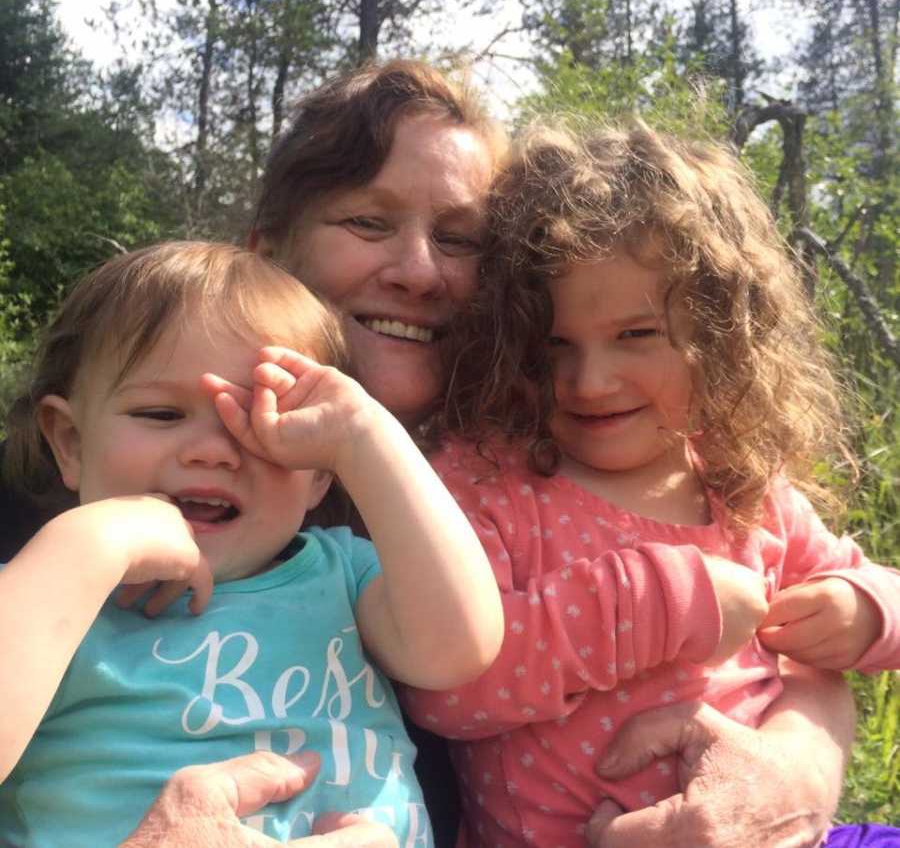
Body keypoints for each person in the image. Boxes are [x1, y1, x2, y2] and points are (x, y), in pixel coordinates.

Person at [0, 59, 877, 847]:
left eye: (457, 239)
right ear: (269, 250)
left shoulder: (596, 449)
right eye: (369, 222)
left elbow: (801, 627)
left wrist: (797, 766)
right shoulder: (69, 518)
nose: (419, 271)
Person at [402, 119, 900, 845]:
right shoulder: (485, 482)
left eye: (636, 335)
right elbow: (448, 687)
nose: (589, 380)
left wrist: (864, 610)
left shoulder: (740, 481)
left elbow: (877, 591)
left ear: (721, 335)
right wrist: (655, 605)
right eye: (553, 345)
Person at [0, 241, 503, 847]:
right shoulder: (43, 593)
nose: (212, 450)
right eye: (161, 413)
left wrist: (364, 435)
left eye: (261, 424)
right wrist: (85, 549)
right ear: (71, 443)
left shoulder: (342, 576)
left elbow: (459, 648)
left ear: (320, 473)